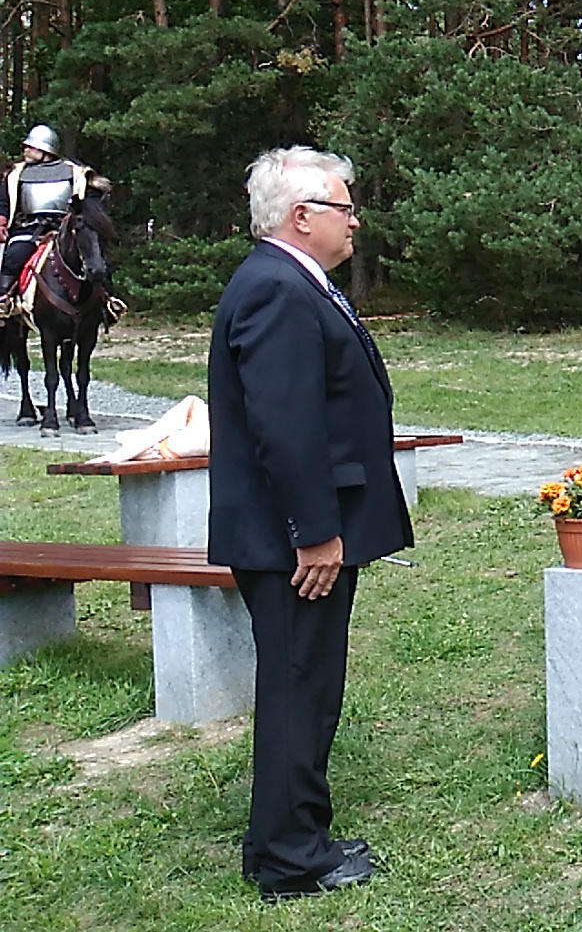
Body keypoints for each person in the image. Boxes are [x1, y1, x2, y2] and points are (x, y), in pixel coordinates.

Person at [209, 146, 412, 899]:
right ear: (302, 216)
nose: (355, 221)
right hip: (291, 540)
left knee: (304, 686)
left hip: (290, 533)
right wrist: (316, 531)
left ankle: (283, 838)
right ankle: (291, 860)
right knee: (300, 689)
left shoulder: (289, 281)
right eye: (344, 208)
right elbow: (285, 424)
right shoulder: (277, 289)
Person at [0, 124, 111, 319]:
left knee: (94, 255)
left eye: (31, 146)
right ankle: (4, 299)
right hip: (29, 227)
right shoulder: (16, 174)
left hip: (66, 227)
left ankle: (109, 301)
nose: (25, 150)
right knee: (14, 255)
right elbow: (4, 202)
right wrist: (1, 221)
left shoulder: (75, 172)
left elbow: (91, 196)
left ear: (45, 149)